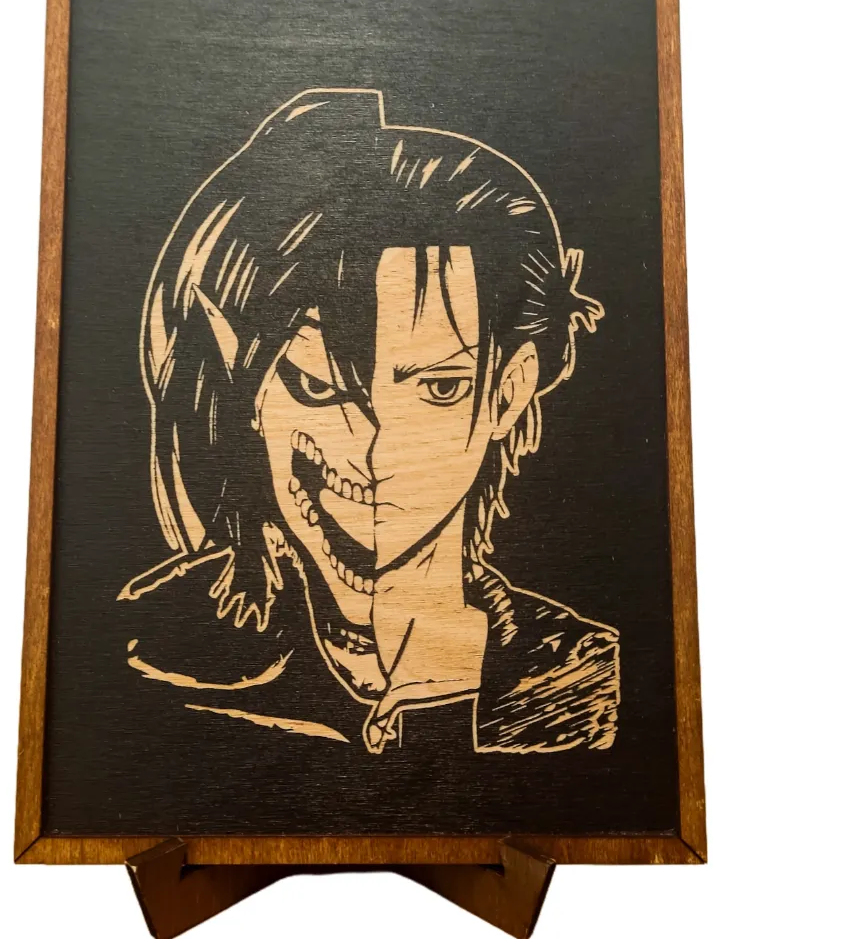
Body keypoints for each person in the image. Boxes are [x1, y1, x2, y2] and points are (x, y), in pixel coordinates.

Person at [119, 88, 619, 754]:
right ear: (248, 392)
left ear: (508, 392)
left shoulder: (578, 684)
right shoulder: (143, 650)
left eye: (440, 388)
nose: (374, 452)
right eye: (316, 386)